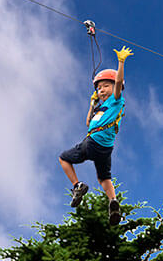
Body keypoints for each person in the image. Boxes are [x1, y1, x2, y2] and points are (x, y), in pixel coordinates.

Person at [59, 46, 133, 226]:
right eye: (99, 88)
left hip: (92, 143)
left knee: (63, 158)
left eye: (105, 86)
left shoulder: (116, 101)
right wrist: (92, 103)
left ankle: (77, 186)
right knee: (104, 177)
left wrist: (121, 62)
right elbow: (87, 122)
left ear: (115, 87)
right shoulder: (101, 109)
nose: (101, 90)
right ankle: (113, 202)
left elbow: (118, 82)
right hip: (105, 149)